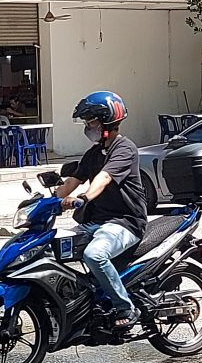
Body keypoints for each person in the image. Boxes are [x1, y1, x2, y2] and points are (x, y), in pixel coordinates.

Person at [55, 91, 148, 330]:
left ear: (107, 122)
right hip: (95, 222)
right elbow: (72, 182)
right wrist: (46, 200)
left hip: (125, 223)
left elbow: (104, 178)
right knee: (53, 249)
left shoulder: (124, 149)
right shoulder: (94, 153)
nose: (88, 126)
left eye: (92, 121)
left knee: (94, 255)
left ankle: (125, 307)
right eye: (86, 122)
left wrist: (82, 197)